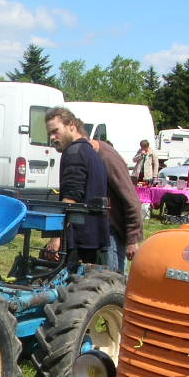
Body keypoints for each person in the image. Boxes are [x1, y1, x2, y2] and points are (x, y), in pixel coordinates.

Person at [42, 107, 108, 269]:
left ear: (71, 125)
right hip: (95, 239)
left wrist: (57, 237)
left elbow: (71, 199)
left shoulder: (74, 152)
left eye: (56, 131)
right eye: (50, 133)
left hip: (80, 243)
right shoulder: (89, 151)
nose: (52, 137)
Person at [93, 138, 144, 272]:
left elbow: (132, 201)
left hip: (113, 229)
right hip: (101, 227)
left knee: (114, 276)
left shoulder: (109, 160)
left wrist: (132, 239)